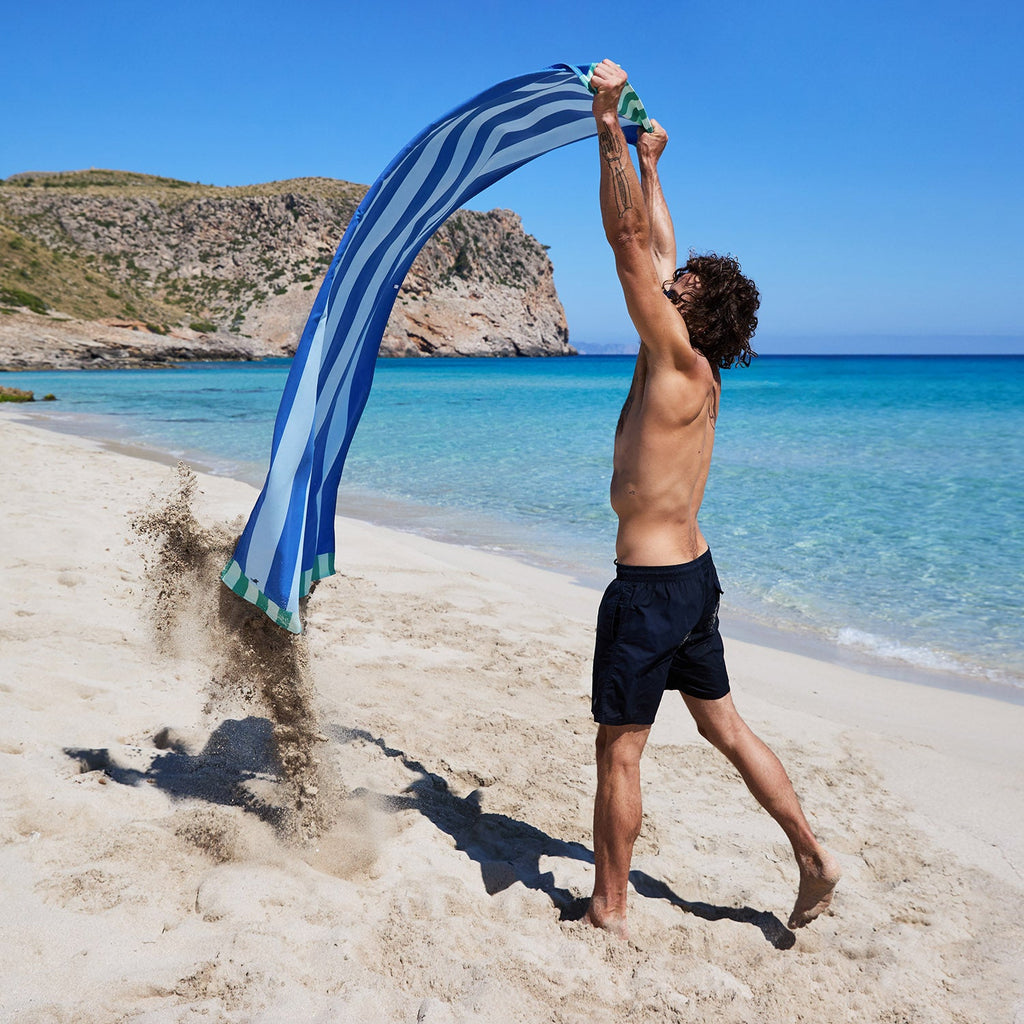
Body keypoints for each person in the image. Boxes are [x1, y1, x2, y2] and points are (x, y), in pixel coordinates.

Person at [585, 59, 840, 940]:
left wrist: (606, 123)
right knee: (725, 726)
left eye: (682, 284)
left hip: (651, 590)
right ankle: (812, 854)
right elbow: (655, 249)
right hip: (693, 577)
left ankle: (610, 909)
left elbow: (627, 249)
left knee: (620, 746)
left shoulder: (671, 356)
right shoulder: (701, 369)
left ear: (691, 311)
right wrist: (654, 166)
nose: (669, 277)